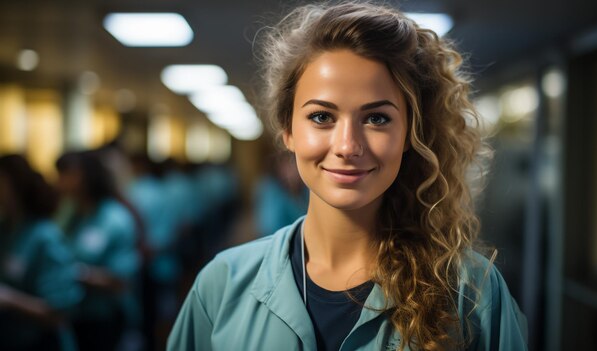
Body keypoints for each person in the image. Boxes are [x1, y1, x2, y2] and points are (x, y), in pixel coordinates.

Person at [167, 2, 528, 350]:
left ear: (410, 134)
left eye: (377, 118)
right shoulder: (221, 286)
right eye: (322, 117)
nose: (347, 146)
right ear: (288, 131)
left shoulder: (471, 292)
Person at [55, 151, 142, 351]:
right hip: (71, 315)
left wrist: (76, 273)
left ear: (88, 176)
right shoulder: (68, 214)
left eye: (68, 174)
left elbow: (121, 281)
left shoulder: (115, 218)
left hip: (103, 317)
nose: (61, 182)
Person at [0, 154, 82, 351]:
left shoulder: (45, 236)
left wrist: (9, 299)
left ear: (15, 186)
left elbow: (57, 313)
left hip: (41, 342)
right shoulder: (6, 229)